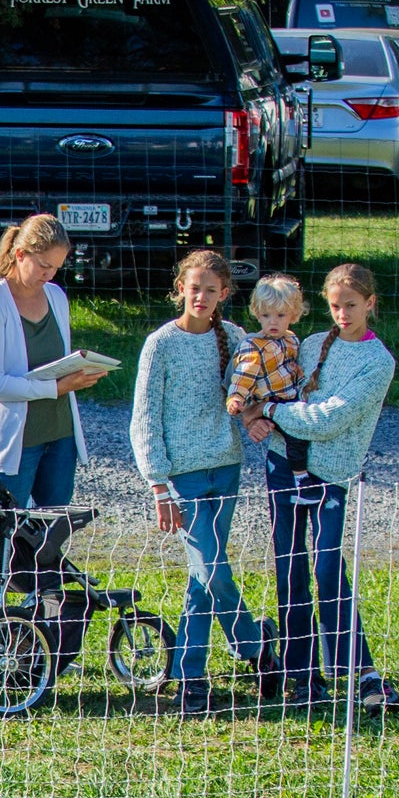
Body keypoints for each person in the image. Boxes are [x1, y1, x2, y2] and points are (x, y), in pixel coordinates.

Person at [130, 248, 279, 718]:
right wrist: (159, 485)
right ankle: (255, 646)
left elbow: (251, 388)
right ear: (180, 289)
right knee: (212, 570)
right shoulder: (161, 344)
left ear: (223, 295)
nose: (201, 296)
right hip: (183, 476)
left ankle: (190, 678)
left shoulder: (233, 337)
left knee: (203, 578)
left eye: (210, 290)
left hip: (226, 467)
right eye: (194, 288)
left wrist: (257, 414)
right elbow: (145, 417)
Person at [245, 261, 399, 714]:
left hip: (331, 474)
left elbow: (327, 419)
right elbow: (272, 387)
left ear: (370, 303)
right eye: (335, 306)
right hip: (282, 465)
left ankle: (356, 669)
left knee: (328, 569)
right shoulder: (310, 344)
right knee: (289, 570)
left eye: (351, 305)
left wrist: (268, 413)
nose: (343, 315)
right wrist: (255, 411)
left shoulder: (377, 362)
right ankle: (300, 672)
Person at [0, 213, 105, 509]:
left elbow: (55, 361)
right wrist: (57, 387)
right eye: (43, 265)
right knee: (6, 531)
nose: (50, 274)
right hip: (13, 443)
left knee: (51, 532)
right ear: (19, 254)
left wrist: (79, 368)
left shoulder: (56, 297)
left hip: (60, 435)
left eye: (56, 267)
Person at [226, 274, 317, 500]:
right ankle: (301, 478)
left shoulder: (291, 340)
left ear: (293, 315)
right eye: (266, 316)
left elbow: (292, 365)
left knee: (304, 429)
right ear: (257, 314)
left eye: (280, 315)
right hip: (270, 399)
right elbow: (244, 374)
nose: (273, 322)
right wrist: (236, 398)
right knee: (296, 434)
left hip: (290, 396)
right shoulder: (253, 345)